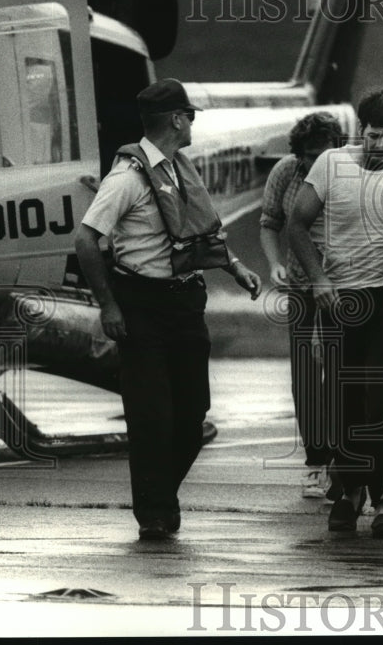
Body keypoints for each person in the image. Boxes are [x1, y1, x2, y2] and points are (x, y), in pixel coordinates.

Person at [74, 78, 262, 541]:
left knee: (193, 414)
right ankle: (154, 515)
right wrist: (108, 306)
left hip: (183, 304)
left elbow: (199, 235)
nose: (193, 121)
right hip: (141, 306)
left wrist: (235, 267)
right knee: (151, 418)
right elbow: (85, 239)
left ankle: (160, 497)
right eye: (190, 115)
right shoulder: (128, 177)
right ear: (176, 120)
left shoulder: (178, 170)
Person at [288, 89, 383, 539]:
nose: (382, 146)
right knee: (342, 403)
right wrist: (318, 279)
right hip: (340, 300)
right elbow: (297, 224)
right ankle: (351, 491)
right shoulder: (330, 165)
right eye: (375, 136)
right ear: (361, 130)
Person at [259, 112, 344, 499]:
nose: (316, 163)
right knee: (306, 376)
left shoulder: (348, 172)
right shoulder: (285, 173)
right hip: (299, 286)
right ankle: (315, 459)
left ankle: (342, 459)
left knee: (340, 372)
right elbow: (270, 223)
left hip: (344, 285)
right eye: (309, 156)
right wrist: (275, 263)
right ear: (299, 154)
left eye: (324, 154)